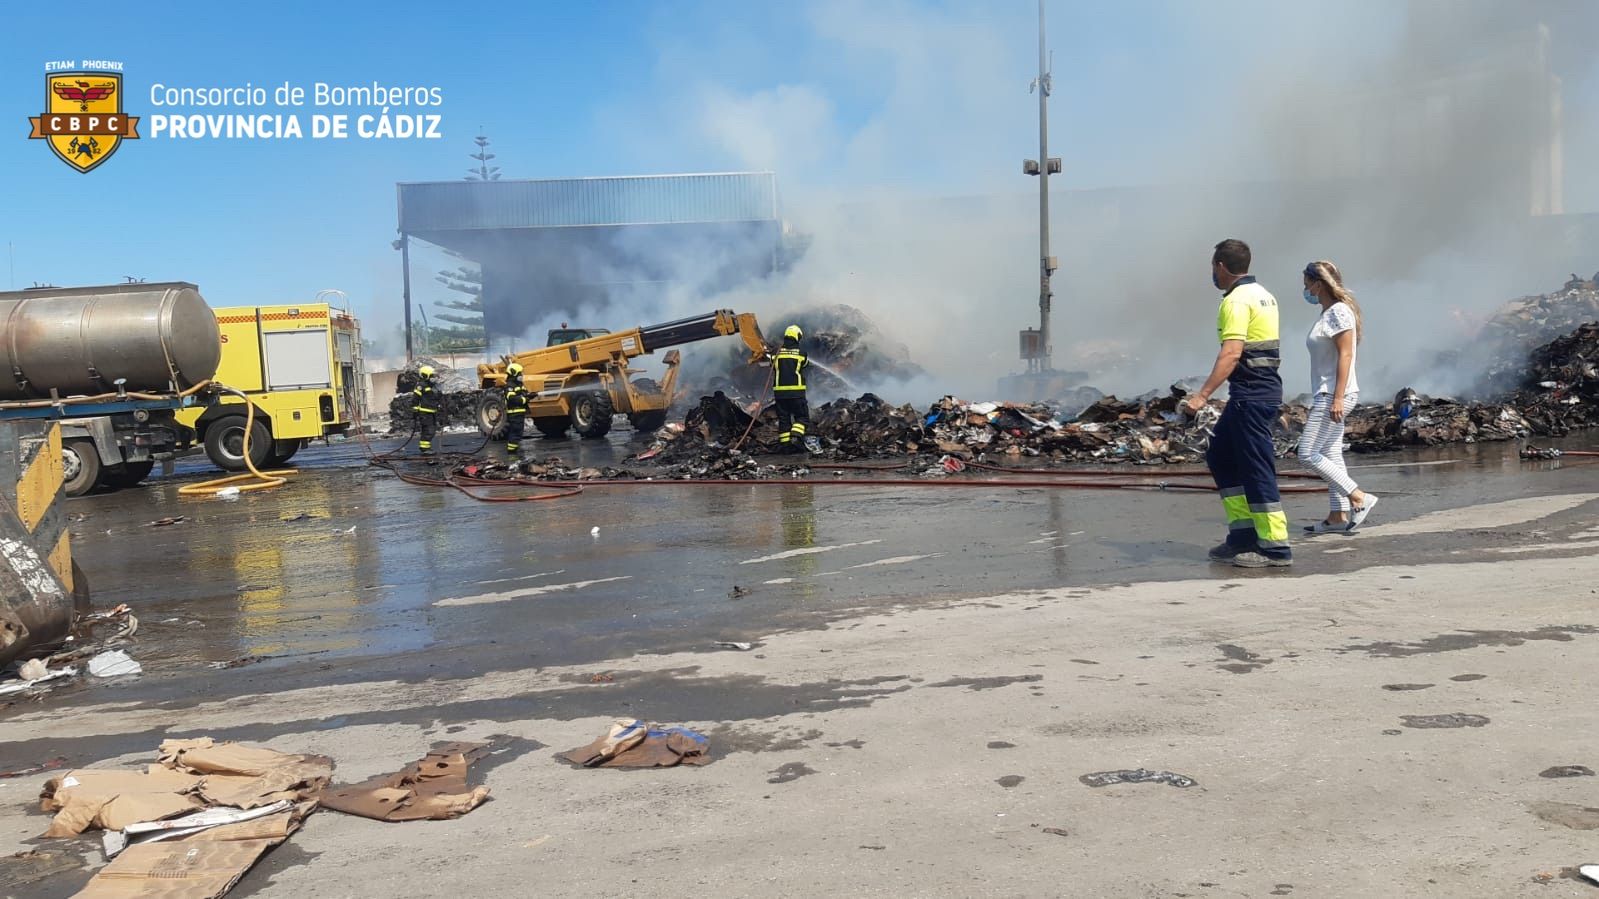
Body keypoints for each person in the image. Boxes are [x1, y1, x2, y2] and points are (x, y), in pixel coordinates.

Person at [1183, 239, 1291, 568]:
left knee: (1255, 467)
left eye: (1212, 269)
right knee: (1221, 456)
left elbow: (1231, 353)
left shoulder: (1235, 301)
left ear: (1220, 266)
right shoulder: (1264, 294)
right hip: (1255, 392)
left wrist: (1200, 397)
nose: (1212, 275)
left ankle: (1275, 547)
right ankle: (1242, 534)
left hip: (1251, 394)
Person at [1298, 260, 1377, 532]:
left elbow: (1346, 354)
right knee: (1331, 452)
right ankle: (1337, 516)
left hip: (1332, 393)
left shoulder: (1338, 313)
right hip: (1329, 391)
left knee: (1307, 453)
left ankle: (1358, 497)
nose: (1305, 289)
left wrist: (1338, 397)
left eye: (1306, 283)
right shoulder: (1329, 312)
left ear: (1318, 284)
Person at [772, 325, 819, 454]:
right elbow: (805, 364)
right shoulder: (801, 353)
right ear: (797, 337)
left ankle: (785, 446)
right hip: (796, 393)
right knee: (802, 417)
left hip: (780, 395)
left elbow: (772, 364)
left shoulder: (776, 354)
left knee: (784, 419)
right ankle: (796, 436)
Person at [412, 365, 442, 461]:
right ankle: (425, 449)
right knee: (428, 431)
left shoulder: (431, 386)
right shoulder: (421, 386)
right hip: (424, 413)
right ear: (425, 375)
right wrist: (415, 410)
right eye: (431, 376)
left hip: (431, 412)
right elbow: (415, 399)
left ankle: (426, 447)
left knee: (431, 430)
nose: (433, 378)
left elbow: (435, 397)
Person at [503, 362, 528, 456]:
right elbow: (512, 399)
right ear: (514, 373)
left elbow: (525, 394)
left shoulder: (519, 384)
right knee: (515, 433)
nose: (521, 375)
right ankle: (512, 454)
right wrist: (525, 399)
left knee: (518, 433)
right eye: (519, 373)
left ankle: (514, 451)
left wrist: (531, 395)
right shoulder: (509, 386)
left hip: (519, 413)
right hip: (514, 413)